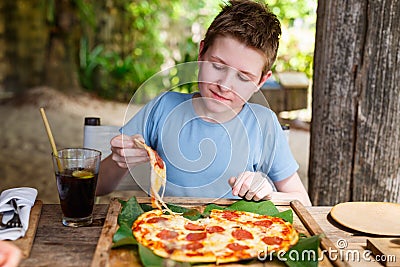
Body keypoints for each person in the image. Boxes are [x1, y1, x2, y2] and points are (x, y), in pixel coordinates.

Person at [96, 0, 312, 206]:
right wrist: (120, 160)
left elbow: (304, 201)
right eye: (217, 66)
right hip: (167, 233)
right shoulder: (163, 108)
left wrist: (268, 193)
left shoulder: (264, 124)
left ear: (261, 81)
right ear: (201, 53)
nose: (225, 85)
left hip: (236, 238)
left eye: (244, 77)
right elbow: (99, 187)